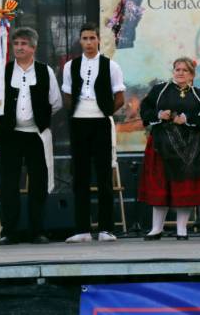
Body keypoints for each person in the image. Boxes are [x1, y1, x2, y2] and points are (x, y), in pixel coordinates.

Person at [138, 57, 200, 240]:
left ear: (192, 75)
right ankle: (156, 229)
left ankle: (181, 229)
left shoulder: (198, 94)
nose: (180, 73)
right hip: (162, 146)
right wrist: (159, 114)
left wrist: (187, 119)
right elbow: (145, 109)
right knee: (161, 185)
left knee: (186, 187)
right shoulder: (160, 90)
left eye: (185, 70)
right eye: (177, 69)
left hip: (191, 150)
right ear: (173, 71)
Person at [0, 27, 62, 245]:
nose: (19, 47)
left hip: (36, 134)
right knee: (9, 184)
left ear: (33, 47)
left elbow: (56, 102)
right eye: (16, 44)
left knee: (38, 184)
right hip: (10, 135)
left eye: (23, 43)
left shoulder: (45, 71)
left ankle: (37, 231)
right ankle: (10, 231)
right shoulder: (4, 71)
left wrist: (39, 118)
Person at [62, 22, 125, 243]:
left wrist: (105, 111)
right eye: (85, 38)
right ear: (80, 41)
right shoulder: (70, 66)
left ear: (98, 40)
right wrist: (75, 111)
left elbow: (120, 97)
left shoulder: (111, 66)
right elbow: (67, 94)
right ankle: (82, 229)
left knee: (104, 175)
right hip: (79, 123)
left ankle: (106, 228)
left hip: (101, 123)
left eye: (92, 38)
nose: (88, 42)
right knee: (80, 177)